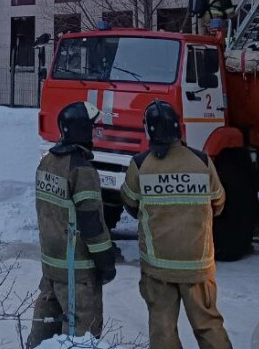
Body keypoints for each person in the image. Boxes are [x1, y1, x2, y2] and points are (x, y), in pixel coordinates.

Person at [121, 100, 232, 349]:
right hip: (198, 266)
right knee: (209, 325)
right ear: (177, 128)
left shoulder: (140, 165)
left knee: (162, 329)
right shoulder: (202, 161)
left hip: (158, 267)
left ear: (148, 130)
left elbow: (130, 204)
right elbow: (219, 203)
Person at [25, 101, 116, 348]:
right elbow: (91, 223)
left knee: (43, 333)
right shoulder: (82, 170)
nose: (95, 133)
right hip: (78, 272)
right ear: (82, 130)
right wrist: (106, 261)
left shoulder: (47, 162)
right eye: (92, 127)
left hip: (51, 268)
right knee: (81, 338)